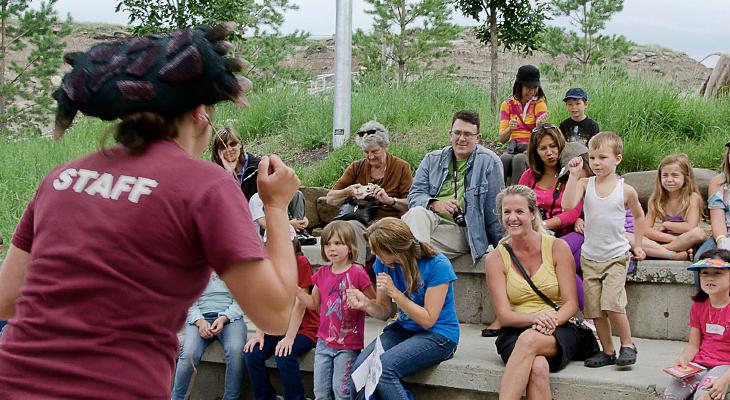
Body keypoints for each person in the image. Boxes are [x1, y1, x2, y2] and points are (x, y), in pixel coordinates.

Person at [0, 25, 300, 399]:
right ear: (198, 112)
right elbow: (274, 313)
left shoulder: (61, 178)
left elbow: (8, 299)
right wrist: (274, 206)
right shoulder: (205, 185)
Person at [483, 185, 580, 400]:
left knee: (529, 340)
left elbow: (571, 304)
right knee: (537, 367)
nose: (512, 218)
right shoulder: (495, 259)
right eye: (506, 212)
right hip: (515, 330)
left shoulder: (557, 248)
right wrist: (534, 318)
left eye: (519, 211)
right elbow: (504, 315)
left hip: (559, 326)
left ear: (533, 213)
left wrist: (549, 321)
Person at [347, 217, 459, 399]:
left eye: (377, 249)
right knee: (358, 374)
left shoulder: (438, 265)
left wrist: (396, 294)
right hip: (404, 329)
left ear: (394, 250)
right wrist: (366, 304)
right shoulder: (383, 263)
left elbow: (428, 320)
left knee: (383, 370)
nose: (373, 253)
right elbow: (384, 312)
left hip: (439, 335)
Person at [563, 132, 646, 368]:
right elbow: (567, 205)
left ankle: (628, 344)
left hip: (616, 256)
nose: (596, 163)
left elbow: (640, 217)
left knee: (612, 303)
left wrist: (637, 244)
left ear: (617, 159)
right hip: (591, 257)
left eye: (602, 157)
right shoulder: (584, 184)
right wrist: (573, 175)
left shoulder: (625, 189)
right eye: (592, 158)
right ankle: (607, 351)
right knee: (594, 308)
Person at [403, 109, 503, 264]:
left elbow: (494, 210)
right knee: (416, 215)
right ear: (450, 134)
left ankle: (416, 277)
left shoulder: (489, 162)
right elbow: (414, 196)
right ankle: (423, 278)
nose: (461, 138)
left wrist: (502, 247)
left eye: (468, 134)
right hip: (428, 222)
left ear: (478, 138)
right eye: (457, 133)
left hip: (463, 230)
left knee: (403, 246)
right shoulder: (432, 159)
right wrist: (436, 204)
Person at [296, 221, 375, 400]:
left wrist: (363, 302)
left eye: (338, 243)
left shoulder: (358, 273)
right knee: (320, 392)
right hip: (323, 343)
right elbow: (313, 303)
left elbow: (374, 301)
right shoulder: (322, 273)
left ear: (350, 246)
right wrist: (296, 290)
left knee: (341, 391)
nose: (332, 248)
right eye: (327, 244)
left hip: (347, 345)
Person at [326, 120, 412, 266]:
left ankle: (356, 272)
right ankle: (350, 273)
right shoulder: (356, 167)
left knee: (353, 229)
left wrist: (389, 200)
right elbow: (329, 199)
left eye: (375, 151)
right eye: (366, 152)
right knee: (342, 228)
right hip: (360, 220)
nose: (370, 157)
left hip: (387, 223)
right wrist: (348, 191)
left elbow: (411, 205)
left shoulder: (401, 167)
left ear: (385, 147)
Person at [518, 125, 585, 309]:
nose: (549, 152)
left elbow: (573, 212)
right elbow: (518, 205)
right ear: (535, 152)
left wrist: (543, 225)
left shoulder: (573, 172)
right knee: (563, 264)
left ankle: (585, 315)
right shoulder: (528, 177)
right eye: (543, 148)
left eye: (553, 146)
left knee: (556, 257)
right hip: (538, 236)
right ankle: (589, 316)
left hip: (571, 233)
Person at [244, 239, 319, 400]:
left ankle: (295, 397)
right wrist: (259, 334)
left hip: (305, 327)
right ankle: (265, 397)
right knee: (252, 353)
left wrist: (289, 338)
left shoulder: (300, 261)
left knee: (284, 354)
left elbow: (301, 304)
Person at [212, 127, 310, 235]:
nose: (229, 149)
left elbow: (278, 193)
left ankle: (300, 231)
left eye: (233, 144)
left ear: (240, 144)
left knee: (296, 194)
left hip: (262, 212)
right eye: (223, 146)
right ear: (217, 151)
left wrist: (301, 217)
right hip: (241, 221)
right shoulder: (216, 175)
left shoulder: (259, 166)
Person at [662, 249, 730, 400]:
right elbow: (693, 345)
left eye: (717, 273)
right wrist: (684, 359)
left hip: (726, 367)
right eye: (704, 272)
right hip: (699, 364)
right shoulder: (698, 305)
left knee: (704, 397)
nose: (709, 278)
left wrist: (726, 380)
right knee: (670, 396)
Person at [171, 273, 247, 400]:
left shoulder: (235, 263)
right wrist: (199, 321)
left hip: (230, 317)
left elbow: (243, 298)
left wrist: (224, 318)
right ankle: (177, 397)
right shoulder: (194, 262)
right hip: (199, 316)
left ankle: (231, 397)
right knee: (189, 353)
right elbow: (186, 298)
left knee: (236, 350)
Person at [641, 154, 706, 261]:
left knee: (699, 233)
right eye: (665, 175)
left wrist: (667, 224)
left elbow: (690, 227)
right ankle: (675, 251)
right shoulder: (656, 199)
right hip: (666, 238)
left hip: (687, 239)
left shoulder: (693, 198)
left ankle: (658, 251)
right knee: (634, 237)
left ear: (685, 178)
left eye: (675, 175)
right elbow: (645, 230)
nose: (669, 180)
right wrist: (674, 240)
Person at [499, 65, 549, 185]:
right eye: (528, 87)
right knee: (503, 159)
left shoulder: (539, 104)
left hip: (530, 148)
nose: (531, 92)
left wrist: (539, 126)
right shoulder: (507, 104)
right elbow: (501, 139)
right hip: (513, 147)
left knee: (519, 159)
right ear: (519, 85)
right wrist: (510, 129)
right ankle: (498, 194)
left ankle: (517, 194)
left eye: (535, 88)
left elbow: (543, 136)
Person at [695, 140, 730, 260]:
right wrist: (722, 241)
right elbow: (718, 219)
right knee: (702, 258)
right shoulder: (718, 182)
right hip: (725, 235)